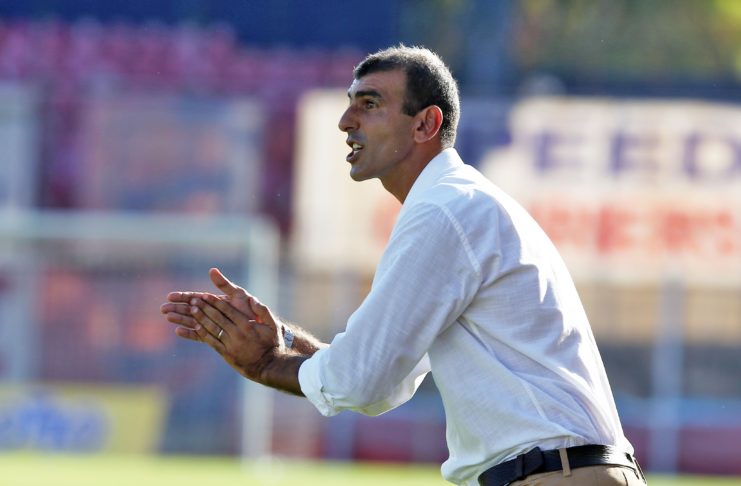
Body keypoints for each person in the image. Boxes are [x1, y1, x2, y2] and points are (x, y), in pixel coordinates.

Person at [160, 45, 646, 486]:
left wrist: (267, 362)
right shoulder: (458, 203)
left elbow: (359, 380)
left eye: (369, 103)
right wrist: (284, 340)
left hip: (553, 475)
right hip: (565, 471)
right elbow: (383, 382)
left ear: (425, 125)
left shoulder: (444, 211)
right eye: (350, 103)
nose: (345, 121)